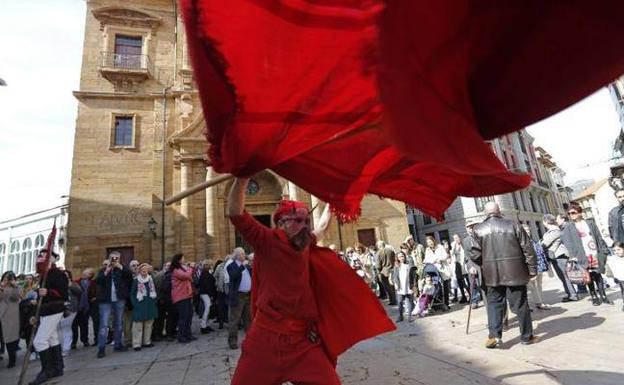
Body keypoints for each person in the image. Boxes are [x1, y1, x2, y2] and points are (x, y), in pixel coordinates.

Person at [226, 178, 393, 385]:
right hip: (265, 340)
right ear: (280, 224)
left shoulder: (304, 244)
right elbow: (236, 213)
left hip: (301, 340)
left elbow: (322, 227)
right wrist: (243, 176)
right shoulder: (266, 241)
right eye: (297, 221)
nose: (305, 226)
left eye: (306, 222)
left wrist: (333, 202)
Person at [470, 202, 538, 348]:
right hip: (516, 272)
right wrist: (532, 270)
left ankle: (494, 336)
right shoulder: (513, 225)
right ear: (499, 211)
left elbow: (474, 254)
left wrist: (487, 264)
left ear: (485, 213)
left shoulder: (479, 229)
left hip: (492, 275)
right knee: (520, 305)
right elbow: (528, 249)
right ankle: (526, 337)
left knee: (494, 305)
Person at [560, 204, 612, 306]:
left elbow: (598, 236)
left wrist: (604, 250)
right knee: (588, 276)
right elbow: (567, 242)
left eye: (573, 213)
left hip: (594, 252)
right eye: (569, 213)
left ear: (580, 213)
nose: (571, 215)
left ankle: (604, 296)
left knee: (598, 274)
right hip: (581, 255)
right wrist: (573, 255)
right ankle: (594, 296)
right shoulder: (569, 227)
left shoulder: (590, 223)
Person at [30, 250, 68, 385]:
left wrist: (48, 292)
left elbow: (63, 294)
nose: (42, 257)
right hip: (45, 310)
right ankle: (58, 367)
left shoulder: (58, 274)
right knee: (52, 338)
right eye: (41, 255)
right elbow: (41, 297)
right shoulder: (42, 274)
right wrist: (35, 313)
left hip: (55, 309)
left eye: (46, 255)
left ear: (53, 258)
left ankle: (47, 370)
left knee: (39, 341)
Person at [95, 251, 132, 358]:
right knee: (104, 324)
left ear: (119, 259)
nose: (114, 260)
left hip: (119, 299)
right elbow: (98, 281)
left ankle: (118, 344)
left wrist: (119, 266)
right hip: (105, 300)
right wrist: (107, 270)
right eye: (112, 258)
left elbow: (129, 276)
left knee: (119, 322)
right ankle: (101, 348)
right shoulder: (103, 270)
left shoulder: (122, 269)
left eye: (116, 258)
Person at [541, 214, 578, 302]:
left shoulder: (554, 231)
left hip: (559, 256)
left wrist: (540, 243)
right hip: (556, 256)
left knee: (564, 276)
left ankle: (572, 295)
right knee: (563, 276)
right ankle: (570, 294)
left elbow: (545, 243)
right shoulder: (554, 230)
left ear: (546, 222)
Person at [226, 248, 252, 349]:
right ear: (237, 255)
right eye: (242, 254)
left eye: (244, 253)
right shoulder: (231, 265)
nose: (244, 255)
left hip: (247, 295)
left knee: (248, 320)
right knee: (234, 320)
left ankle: (250, 340)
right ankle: (232, 341)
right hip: (238, 296)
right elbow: (233, 276)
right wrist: (242, 266)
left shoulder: (246, 266)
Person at [130, 263, 158, 351]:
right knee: (138, 325)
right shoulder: (136, 280)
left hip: (149, 304)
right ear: (139, 271)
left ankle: (147, 341)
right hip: (140, 304)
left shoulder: (151, 279)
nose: (144, 271)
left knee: (149, 324)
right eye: (142, 269)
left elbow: (155, 290)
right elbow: (132, 294)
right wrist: (135, 303)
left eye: (146, 269)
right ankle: (136, 344)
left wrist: (154, 301)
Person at [522, 224, 550, 311]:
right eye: (525, 230)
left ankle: (539, 302)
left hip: (539, 265)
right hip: (530, 267)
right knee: (531, 287)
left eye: (528, 230)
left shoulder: (533, 240)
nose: (528, 231)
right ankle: (532, 304)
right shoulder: (522, 242)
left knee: (539, 285)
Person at [171, 254, 195, 343]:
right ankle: (181, 336)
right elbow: (185, 276)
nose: (184, 259)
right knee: (183, 317)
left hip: (187, 295)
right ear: (178, 260)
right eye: (183, 258)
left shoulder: (182, 268)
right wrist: (191, 267)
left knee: (189, 315)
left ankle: (188, 334)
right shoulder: (176, 270)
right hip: (181, 296)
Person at [72, 268, 98, 348]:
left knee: (84, 325)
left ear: (90, 275)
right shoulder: (76, 282)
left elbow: (95, 292)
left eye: (86, 273)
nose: (83, 273)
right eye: (84, 272)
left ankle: (85, 340)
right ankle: (74, 342)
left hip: (87, 306)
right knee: (74, 325)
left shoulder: (93, 283)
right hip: (77, 306)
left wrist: (94, 297)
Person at [423, 236, 451, 309]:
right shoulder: (427, 250)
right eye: (428, 242)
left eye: (431, 241)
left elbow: (445, 256)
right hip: (434, 271)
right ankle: (439, 303)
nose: (430, 243)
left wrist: (440, 259)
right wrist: (433, 261)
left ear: (433, 241)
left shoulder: (440, 247)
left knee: (445, 287)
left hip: (442, 270)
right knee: (437, 288)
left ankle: (446, 303)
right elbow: (425, 260)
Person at [0, 271, 21, 368]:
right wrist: (2, 287)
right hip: (1, 314)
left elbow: (16, 297)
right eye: (5, 278)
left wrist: (15, 286)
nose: (7, 280)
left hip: (10, 317)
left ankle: (12, 359)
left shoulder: (15, 288)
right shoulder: (1, 287)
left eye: (9, 278)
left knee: (10, 339)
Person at [58, 270, 81, 356]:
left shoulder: (73, 284)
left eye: (67, 276)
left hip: (71, 308)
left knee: (66, 327)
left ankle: (66, 348)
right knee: (59, 328)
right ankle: (61, 347)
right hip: (60, 308)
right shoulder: (58, 284)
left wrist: (70, 285)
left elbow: (79, 292)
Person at [392, 251, 416, 322]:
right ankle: (400, 316)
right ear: (397, 258)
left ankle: (410, 316)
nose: (401, 258)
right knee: (399, 302)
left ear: (404, 256)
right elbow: (395, 276)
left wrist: (413, 286)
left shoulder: (408, 265)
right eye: (399, 257)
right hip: (400, 286)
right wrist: (396, 284)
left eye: (402, 256)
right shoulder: (396, 266)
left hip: (408, 285)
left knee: (409, 301)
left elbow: (413, 275)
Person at [198, 259, 217, 334]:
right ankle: (203, 326)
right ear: (206, 265)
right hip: (205, 293)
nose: (211, 266)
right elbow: (207, 285)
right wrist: (211, 295)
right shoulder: (205, 273)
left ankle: (206, 325)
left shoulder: (205, 273)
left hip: (206, 293)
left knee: (208, 308)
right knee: (207, 308)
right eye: (210, 264)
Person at [377, 240, 397, 306]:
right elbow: (394, 259)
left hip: (384, 271)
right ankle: (394, 300)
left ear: (379, 246)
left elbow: (378, 265)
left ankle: (392, 300)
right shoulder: (391, 251)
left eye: (378, 246)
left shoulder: (379, 252)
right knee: (392, 286)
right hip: (392, 269)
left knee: (388, 287)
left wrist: (379, 270)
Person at [450, 234, 469, 303]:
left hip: (465, 264)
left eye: (457, 238)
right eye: (454, 238)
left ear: (460, 238)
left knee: (467, 280)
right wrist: (454, 247)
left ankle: (471, 296)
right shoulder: (454, 246)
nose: (456, 239)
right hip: (458, 265)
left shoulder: (463, 244)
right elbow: (451, 254)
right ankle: (463, 296)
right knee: (459, 281)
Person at [608, 242, 624, 311]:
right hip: (621, 278)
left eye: (618, 249)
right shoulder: (613, 259)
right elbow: (613, 269)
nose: (616, 252)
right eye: (614, 250)